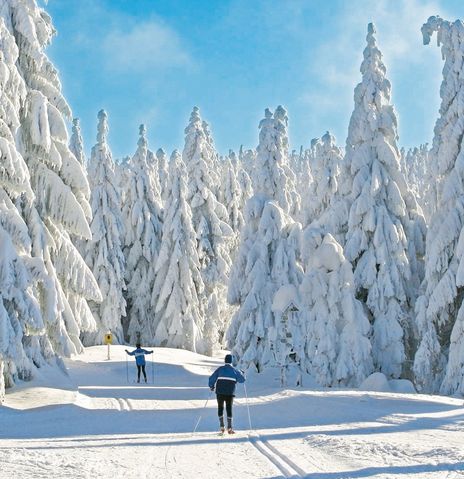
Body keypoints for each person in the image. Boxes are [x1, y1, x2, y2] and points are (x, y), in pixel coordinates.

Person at [208, 354, 245, 434]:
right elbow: (242, 380)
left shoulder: (220, 369)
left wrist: (211, 386)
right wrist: (242, 373)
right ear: (231, 361)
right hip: (230, 393)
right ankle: (230, 428)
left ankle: (221, 426)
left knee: (220, 407)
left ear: (225, 361)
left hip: (220, 392)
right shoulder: (235, 370)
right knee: (229, 408)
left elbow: (212, 378)